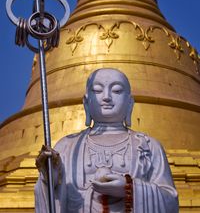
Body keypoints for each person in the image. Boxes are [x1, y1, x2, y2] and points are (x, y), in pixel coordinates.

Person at [35, 68, 179, 212]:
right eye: (97, 91)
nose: (106, 97)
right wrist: (50, 181)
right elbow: (52, 201)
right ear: (86, 102)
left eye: (116, 91)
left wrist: (129, 188)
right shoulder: (67, 146)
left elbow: (170, 201)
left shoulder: (148, 146)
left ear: (130, 102)